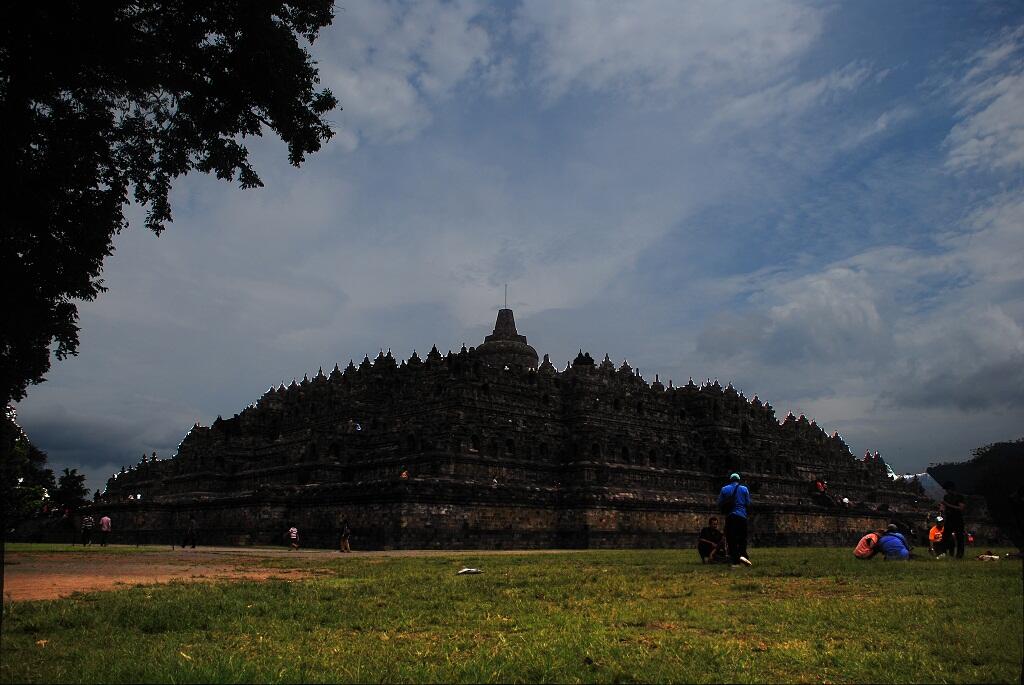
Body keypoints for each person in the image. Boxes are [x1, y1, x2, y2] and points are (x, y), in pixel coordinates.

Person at [717, 473, 752, 567]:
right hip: (742, 516)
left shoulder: (724, 489)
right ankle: (743, 556)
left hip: (731, 516)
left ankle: (736, 560)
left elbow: (719, 503)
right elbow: (748, 503)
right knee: (742, 538)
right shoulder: (744, 489)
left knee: (731, 539)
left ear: (730, 480)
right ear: (738, 480)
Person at [940, 481, 967, 559]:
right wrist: (942, 510)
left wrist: (948, 505)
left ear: (951, 489)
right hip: (949, 519)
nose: (946, 491)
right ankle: (943, 553)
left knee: (959, 537)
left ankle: (959, 555)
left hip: (958, 519)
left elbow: (961, 508)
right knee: (945, 537)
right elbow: (944, 507)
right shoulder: (946, 497)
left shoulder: (960, 497)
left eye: (947, 489)